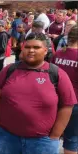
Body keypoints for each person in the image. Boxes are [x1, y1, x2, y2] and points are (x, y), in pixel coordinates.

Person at [0, 32, 77, 154]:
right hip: (7, 137)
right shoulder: (9, 70)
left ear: (45, 51)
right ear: (22, 48)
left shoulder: (57, 74)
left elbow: (67, 105)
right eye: (27, 47)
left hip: (43, 141)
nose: (31, 50)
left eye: (36, 47)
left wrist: (56, 134)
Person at [52, 25, 78, 154]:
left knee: (53, 135)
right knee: (72, 139)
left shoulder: (59, 53)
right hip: (75, 102)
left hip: (57, 100)